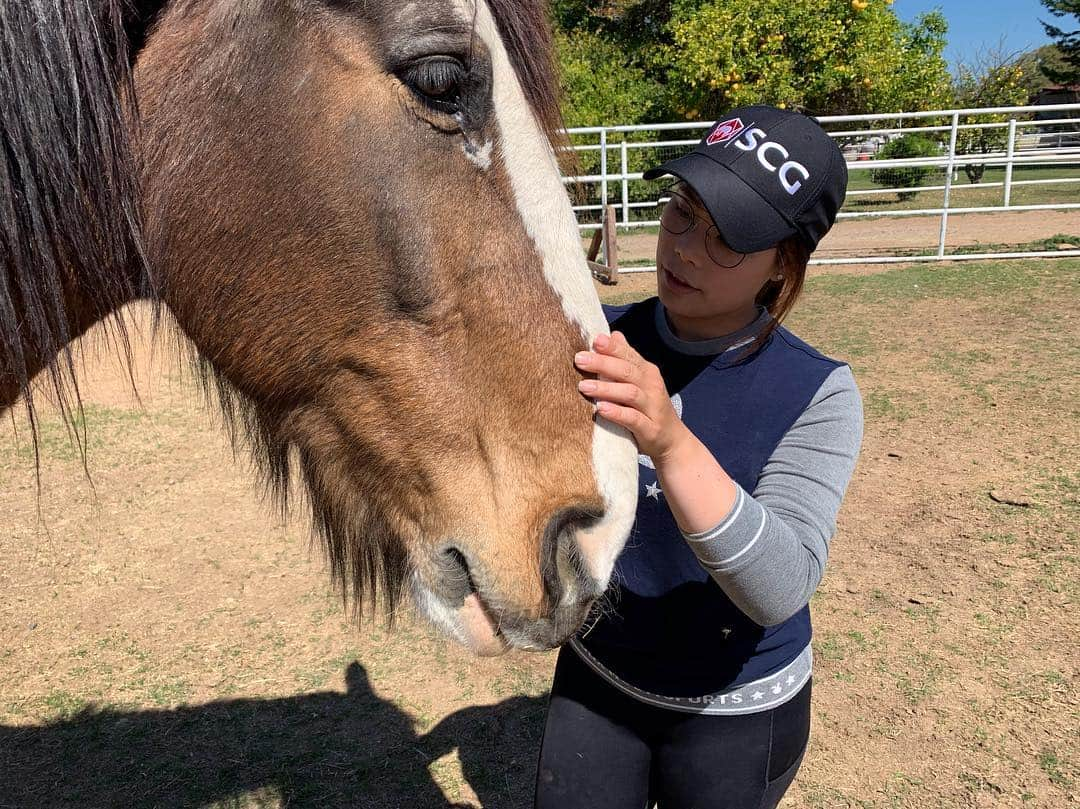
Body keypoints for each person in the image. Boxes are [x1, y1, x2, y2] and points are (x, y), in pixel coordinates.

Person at [534, 105, 864, 809]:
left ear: (784, 262)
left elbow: (779, 587)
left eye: (727, 240)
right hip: (600, 677)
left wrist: (670, 439)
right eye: (681, 211)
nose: (684, 247)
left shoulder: (818, 391)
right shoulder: (599, 338)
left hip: (738, 705)